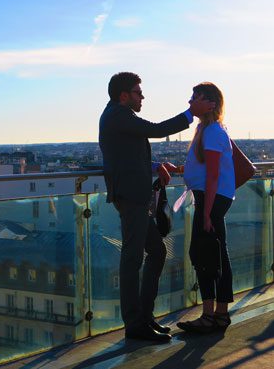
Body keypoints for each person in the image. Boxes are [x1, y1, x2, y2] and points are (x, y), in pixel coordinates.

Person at [99, 72, 215, 342]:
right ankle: (135, 323)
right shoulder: (118, 115)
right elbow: (157, 130)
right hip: (131, 198)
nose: (143, 96)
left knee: (156, 252)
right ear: (124, 95)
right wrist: (190, 113)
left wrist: (154, 166)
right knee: (133, 259)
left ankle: (143, 317)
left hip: (132, 196)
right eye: (138, 92)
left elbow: (126, 156)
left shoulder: (117, 116)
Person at [177, 82, 234, 333]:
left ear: (210, 103)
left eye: (195, 97)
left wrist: (207, 212)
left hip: (210, 198)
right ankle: (219, 314)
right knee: (216, 254)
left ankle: (209, 315)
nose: (190, 101)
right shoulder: (210, 130)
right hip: (213, 197)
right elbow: (207, 171)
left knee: (203, 255)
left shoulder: (211, 132)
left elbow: (212, 176)